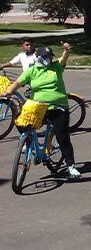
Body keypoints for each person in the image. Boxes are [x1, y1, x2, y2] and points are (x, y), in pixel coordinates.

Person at [4, 43, 80, 178]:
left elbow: (63, 60)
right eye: (45, 57)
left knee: (63, 137)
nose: (48, 59)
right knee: (21, 121)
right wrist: (8, 92)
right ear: (38, 58)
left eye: (50, 57)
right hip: (38, 106)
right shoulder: (32, 71)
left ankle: (71, 166)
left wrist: (66, 51)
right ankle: (27, 142)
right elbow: (17, 83)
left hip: (58, 106)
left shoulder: (56, 67)